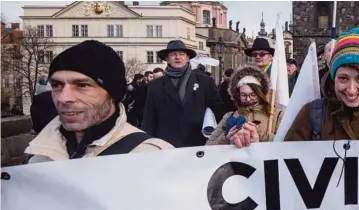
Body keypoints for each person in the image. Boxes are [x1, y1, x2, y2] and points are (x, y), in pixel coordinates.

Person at [24, 40, 172, 163]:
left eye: (82, 85)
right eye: (56, 85)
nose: (63, 98)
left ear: (112, 94)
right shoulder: (39, 157)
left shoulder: (154, 156)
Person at [141, 40, 225, 147]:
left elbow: (219, 111)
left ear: (188, 57)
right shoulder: (155, 85)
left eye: (182, 54)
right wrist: (148, 145)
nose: (178, 57)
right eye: (173, 54)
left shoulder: (205, 81)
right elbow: (149, 119)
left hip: (198, 144)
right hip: (166, 145)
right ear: (167, 58)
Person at [206, 66, 282, 145]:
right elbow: (208, 146)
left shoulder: (276, 115)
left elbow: (286, 144)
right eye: (243, 95)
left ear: (260, 94)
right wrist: (226, 137)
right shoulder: (229, 116)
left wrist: (261, 134)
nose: (248, 99)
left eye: (253, 95)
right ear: (237, 95)